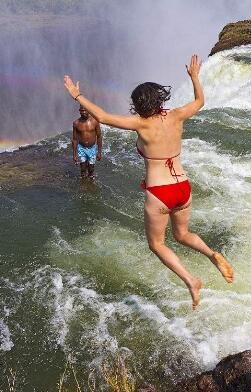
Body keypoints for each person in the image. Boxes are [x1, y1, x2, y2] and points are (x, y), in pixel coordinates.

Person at [63, 54, 234, 309]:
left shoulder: (140, 124)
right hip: (183, 187)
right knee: (182, 234)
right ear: (159, 98)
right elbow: (200, 101)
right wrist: (195, 77)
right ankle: (212, 254)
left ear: (138, 105)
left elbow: (102, 116)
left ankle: (190, 280)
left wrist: (77, 95)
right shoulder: (177, 115)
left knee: (157, 244)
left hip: (160, 192)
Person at [72, 105, 102, 178]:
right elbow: (75, 139)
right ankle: (83, 184)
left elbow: (99, 136)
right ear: (79, 111)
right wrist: (74, 155)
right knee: (82, 168)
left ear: (89, 110)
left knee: (91, 169)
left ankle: (91, 184)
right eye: (82, 110)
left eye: (85, 110)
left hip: (92, 148)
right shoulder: (76, 123)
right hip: (81, 148)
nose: (84, 112)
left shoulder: (95, 121)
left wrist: (99, 152)